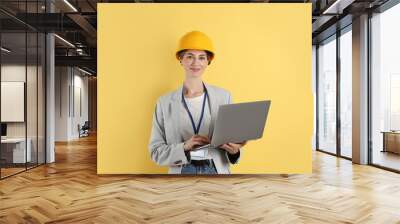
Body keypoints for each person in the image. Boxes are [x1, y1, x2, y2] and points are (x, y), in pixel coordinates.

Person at [148, 31, 246, 174]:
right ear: (181, 59)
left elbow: (233, 145)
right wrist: (184, 147)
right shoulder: (164, 103)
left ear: (208, 61)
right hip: (181, 171)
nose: (196, 63)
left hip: (216, 170)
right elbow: (155, 152)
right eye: (190, 57)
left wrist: (234, 151)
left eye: (201, 57)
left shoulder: (224, 97)